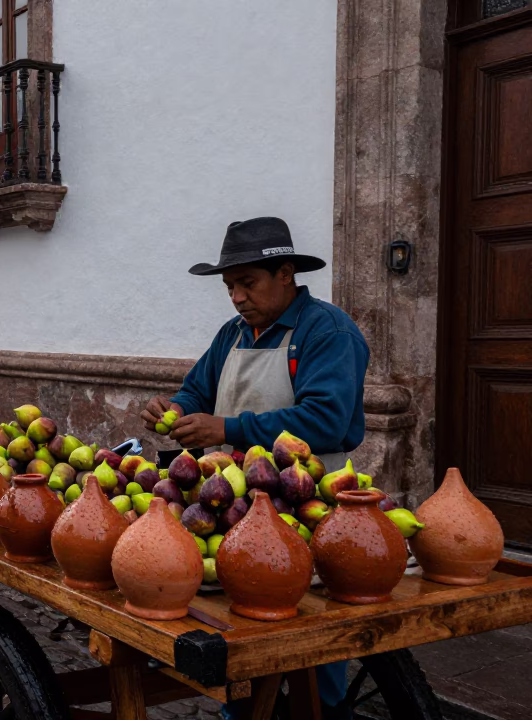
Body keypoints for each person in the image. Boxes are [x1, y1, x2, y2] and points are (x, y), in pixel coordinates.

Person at [141, 217, 369, 719]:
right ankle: (242, 707)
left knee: (309, 625)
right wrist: (172, 409)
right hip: (231, 503)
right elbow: (197, 390)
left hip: (305, 505)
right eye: (230, 287)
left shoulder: (327, 331)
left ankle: (323, 709)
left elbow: (325, 420)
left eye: (248, 283)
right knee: (240, 624)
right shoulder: (233, 335)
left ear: (286, 274)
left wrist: (226, 430)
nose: (237, 297)